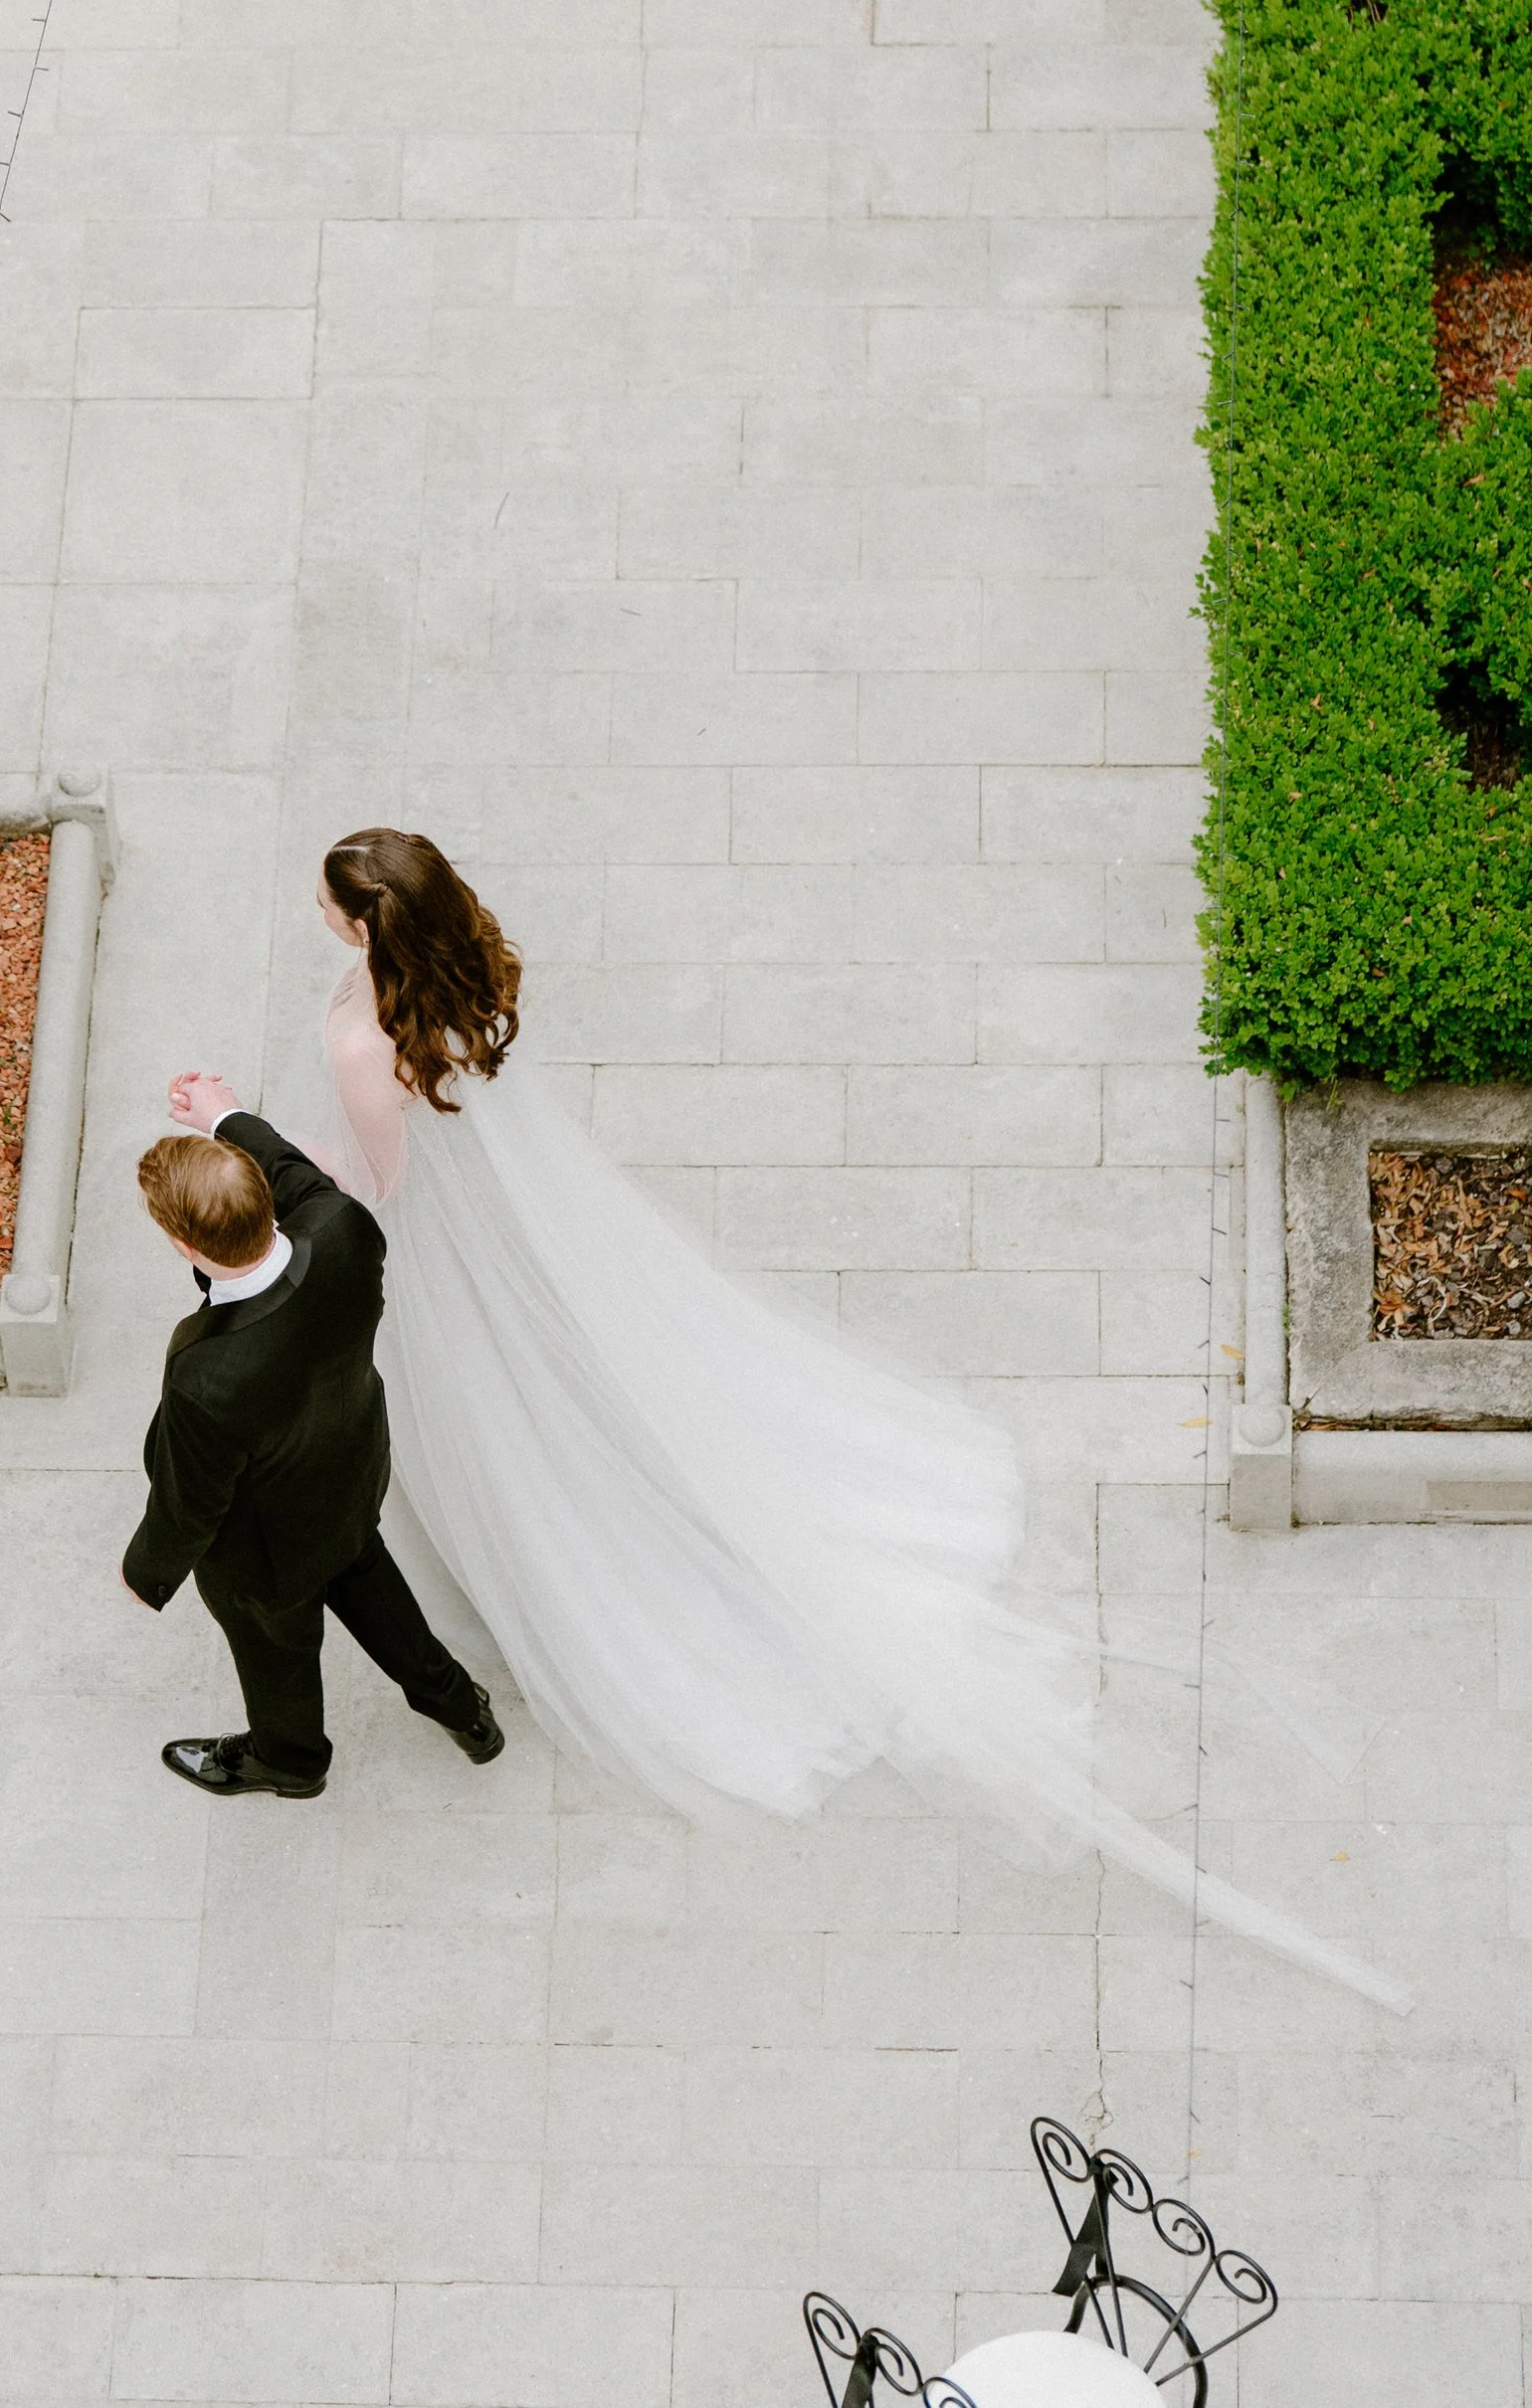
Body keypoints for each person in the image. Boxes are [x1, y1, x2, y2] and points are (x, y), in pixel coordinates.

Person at [166, 826, 1411, 2011]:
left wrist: (241, 1135)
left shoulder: (356, 1052)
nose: (316, 912)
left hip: (430, 1244)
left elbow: (370, 1191)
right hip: (479, 1198)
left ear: (366, 923)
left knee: (504, 1429)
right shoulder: (444, 981)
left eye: (331, 900)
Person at [121, 1109, 505, 1796]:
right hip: (350, 1474)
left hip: (266, 1554)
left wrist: (146, 1573)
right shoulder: (345, 1230)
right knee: (366, 1578)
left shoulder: (206, 1373)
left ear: (183, 1244)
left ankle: (291, 1760)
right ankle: (459, 1708)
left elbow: (191, 1504)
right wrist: (226, 1117)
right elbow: (298, 1171)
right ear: (267, 1197)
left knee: (279, 1652)